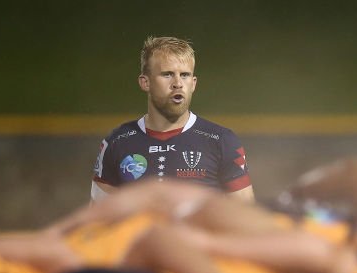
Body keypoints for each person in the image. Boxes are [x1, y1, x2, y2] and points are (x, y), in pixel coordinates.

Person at [92, 37, 253, 202]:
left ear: (193, 84)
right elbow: (97, 218)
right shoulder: (116, 142)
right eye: (167, 74)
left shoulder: (222, 141)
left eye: (184, 75)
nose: (178, 83)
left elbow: (247, 216)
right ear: (145, 82)